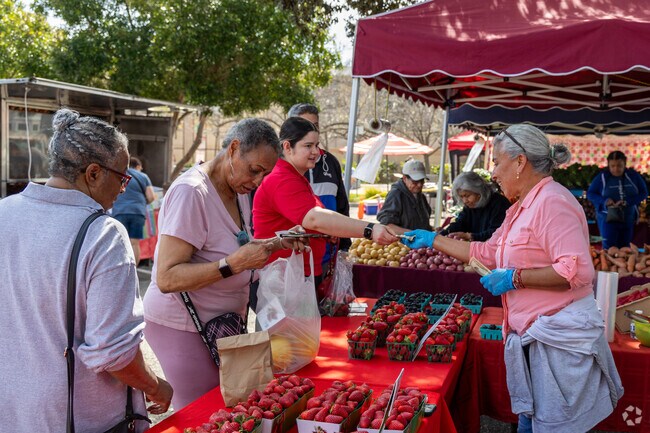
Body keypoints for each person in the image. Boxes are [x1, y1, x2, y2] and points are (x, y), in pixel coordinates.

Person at [402, 125, 623, 432]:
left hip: (556, 343)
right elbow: (487, 252)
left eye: (496, 162)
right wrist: (433, 240)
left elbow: (577, 271)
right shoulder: (520, 207)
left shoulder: (552, 202)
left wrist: (515, 279)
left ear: (520, 162)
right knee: (530, 424)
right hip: (533, 340)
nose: (493, 173)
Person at [0, 108, 172, 432]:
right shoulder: (103, 234)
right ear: (93, 174)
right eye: (122, 178)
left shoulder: (4, 212)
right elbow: (113, 351)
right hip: (78, 416)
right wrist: (156, 386)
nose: (123, 189)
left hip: (12, 408)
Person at [143, 118, 306, 410]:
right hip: (183, 326)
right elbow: (167, 278)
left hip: (222, 325)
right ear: (233, 149)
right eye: (254, 170)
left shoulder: (236, 189)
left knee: (229, 409)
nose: (257, 182)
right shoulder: (192, 192)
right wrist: (230, 266)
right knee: (203, 413)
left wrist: (276, 243)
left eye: (264, 175)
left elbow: (238, 245)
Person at [253, 117, 398, 287]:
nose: (316, 152)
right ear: (287, 147)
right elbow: (315, 219)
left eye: (317, 145)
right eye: (308, 146)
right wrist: (369, 229)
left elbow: (315, 221)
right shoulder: (281, 179)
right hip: (283, 280)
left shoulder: (296, 177)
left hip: (297, 275)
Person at [289, 103, 351, 258]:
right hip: (291, 257)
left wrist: (344, 246)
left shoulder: (330, 161)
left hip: (327, 257)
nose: (310, 131)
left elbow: (342, 205)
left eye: (314, 125)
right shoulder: (278, 164)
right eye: (304, 126)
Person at [587, 151, 648, 249]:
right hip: (607, 220)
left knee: (625, 248)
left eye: (619, 165)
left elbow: (644, 193)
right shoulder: (602, 177)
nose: (616, 169)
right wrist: (605, 201)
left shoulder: (633, 176)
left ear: (625, 163)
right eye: (613, 166)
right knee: (609, 248)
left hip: (628, 218)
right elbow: (590, 194)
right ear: (608, 165)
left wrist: (627, 201)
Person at [439, 171, 511, 241]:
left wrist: (470, 236)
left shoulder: (499, 203)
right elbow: (460, 223)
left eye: (467, 196)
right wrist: (442, 233)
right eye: (461, 197)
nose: (464, 201)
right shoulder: (470, 206)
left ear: (479, 192)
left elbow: (496, 233)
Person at [112, 156, 156, 265]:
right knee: (134, 243)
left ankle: (119, 267)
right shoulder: (143, 176)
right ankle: (133, 269)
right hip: (137, 212)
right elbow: (151, 197)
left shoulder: (119, 176)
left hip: (119, 211)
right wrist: (140, 203)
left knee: (120, 242)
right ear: (137, 166)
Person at [377, 159, 432, 234]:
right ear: (405, 178)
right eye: (415, 181)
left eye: (422, 180)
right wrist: (415, 235)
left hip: (421, 244)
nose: (419, 185)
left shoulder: (421, 196)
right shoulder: (395, 195)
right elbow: (387, 225)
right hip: (401, 244)